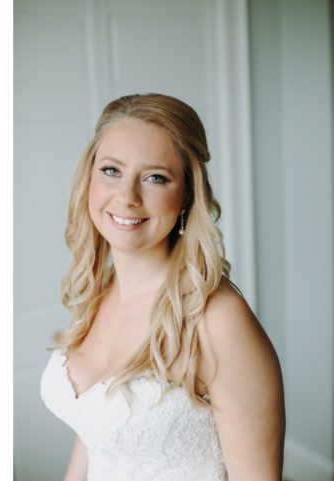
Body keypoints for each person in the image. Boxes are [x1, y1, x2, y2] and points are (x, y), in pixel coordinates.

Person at [40, 94, 284, 480]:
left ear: (186, 194)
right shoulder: (96, 292)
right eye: (111, 170)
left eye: (156, 177)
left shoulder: (218, 319)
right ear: (89, 178)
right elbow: (94, 433)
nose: (127, 197)